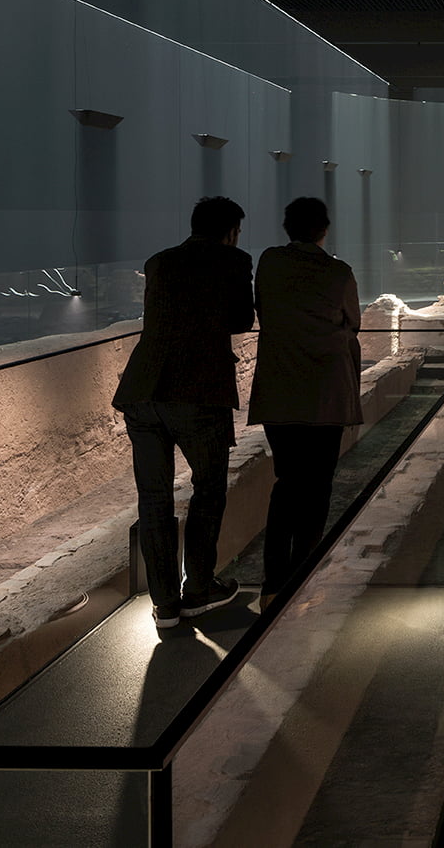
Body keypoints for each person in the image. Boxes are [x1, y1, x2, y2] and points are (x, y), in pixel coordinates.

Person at [112, 196, 254, 629]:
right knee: (208, 490)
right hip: (198, 392)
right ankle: (198, 590)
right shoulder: (233, 260)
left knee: (153, 499)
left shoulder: (159, 262)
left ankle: (165, 605)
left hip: (141, 391)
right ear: (230, 231)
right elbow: (242, 320)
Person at [248, 197, 363, 609]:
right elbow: (354, 321)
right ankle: (303, 578)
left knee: (287, 484)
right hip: (327, 392)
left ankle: (272, 584)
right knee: (318, 487)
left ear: (287, 227)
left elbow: (262, 308)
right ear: (324, 229)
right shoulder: (338, 272)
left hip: (280, 391)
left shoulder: (271, 263)